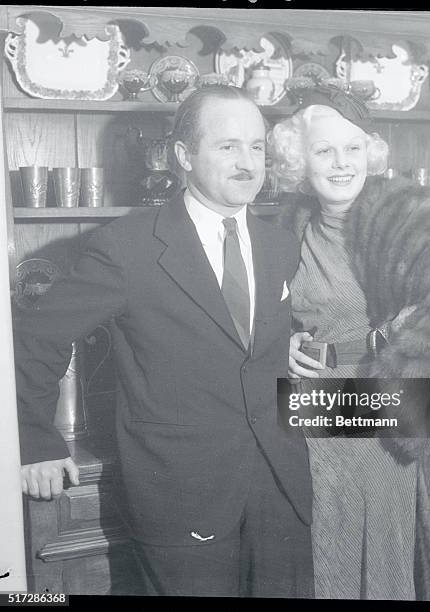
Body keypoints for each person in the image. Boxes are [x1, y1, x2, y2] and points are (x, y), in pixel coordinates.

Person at [14, 85, 313, 598]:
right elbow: (35, 338)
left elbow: (238, 341)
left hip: (278, 489)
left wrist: (280, 343)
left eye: (257, 147)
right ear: (182, 156)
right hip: (181, 492)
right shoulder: (125, 246)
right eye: (227, 146)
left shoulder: (279, 244)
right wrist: (34, 441)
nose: (248, 163)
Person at [268, 84, 430, 600]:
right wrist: (279, 342)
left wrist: (399, 342)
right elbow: (253, 314)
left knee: (388, 566)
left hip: (386, 422)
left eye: (352, 148)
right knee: (324, 560)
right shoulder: (286, 226)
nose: (341, 163)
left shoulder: (409, 215)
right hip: (310, 419)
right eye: (323, 150)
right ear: (299, 161)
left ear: (370, 154)